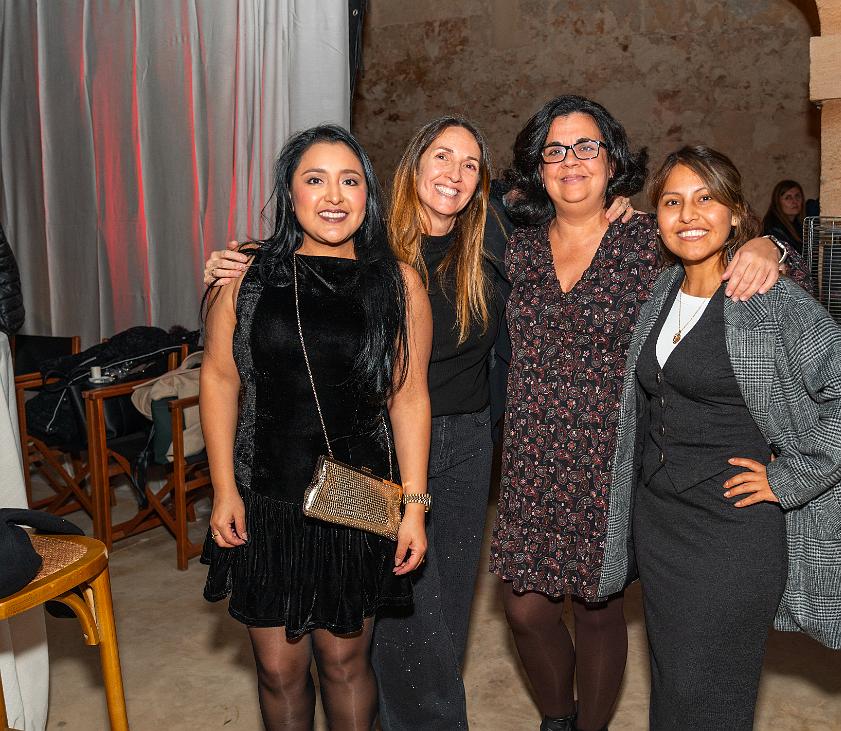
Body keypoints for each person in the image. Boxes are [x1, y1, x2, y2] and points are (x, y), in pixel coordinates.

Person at [202, 117, 637, 731]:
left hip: (460, 440)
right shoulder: (366, 243)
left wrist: (752, 242)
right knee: (374, 634)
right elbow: (247, 350)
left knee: (433, 620)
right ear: (410, 167)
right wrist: (240, 263)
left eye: (469, 164)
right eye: (441, 156)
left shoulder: (498, 238)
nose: (454, 174)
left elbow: (575, 214)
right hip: (365, 449)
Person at [491, 95, 786, 731]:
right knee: (525, 611)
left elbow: (723, 235)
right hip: (531, 462)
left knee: (598, 608)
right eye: (555, 150)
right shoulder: (518, 250)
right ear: (539, 168)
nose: (571, 161)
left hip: (615, 457)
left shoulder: (648, 240)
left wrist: (769, 245)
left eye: (587, 147)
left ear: (612, 161)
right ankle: (556, 718)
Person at [613, 145, 841, 729]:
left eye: (705, 199)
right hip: (661, 525)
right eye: (672, 202)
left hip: (733, 530)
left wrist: (790, 478)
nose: (688, 215)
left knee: (712, 694)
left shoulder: (769, 300)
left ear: (736, 213)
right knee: (673, 686)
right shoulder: (659, 294)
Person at [200, 124, 431, 730]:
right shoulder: (247, 277)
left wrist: (413, 506)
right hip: (265, 498)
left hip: (354, 502)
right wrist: (223, 488)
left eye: (350, 181)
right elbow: (220, 380)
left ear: (368, 195)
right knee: (278, 670)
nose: (333, 196)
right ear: (290, 193)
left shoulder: (398, 283)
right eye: (315, 179)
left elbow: (409, 396)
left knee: (345, 664)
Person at [762, 179, 814, 293]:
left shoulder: (798, 225)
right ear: (778, 202)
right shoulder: (773, 227)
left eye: (797, 196)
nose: (794, 201)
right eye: (788, 197)